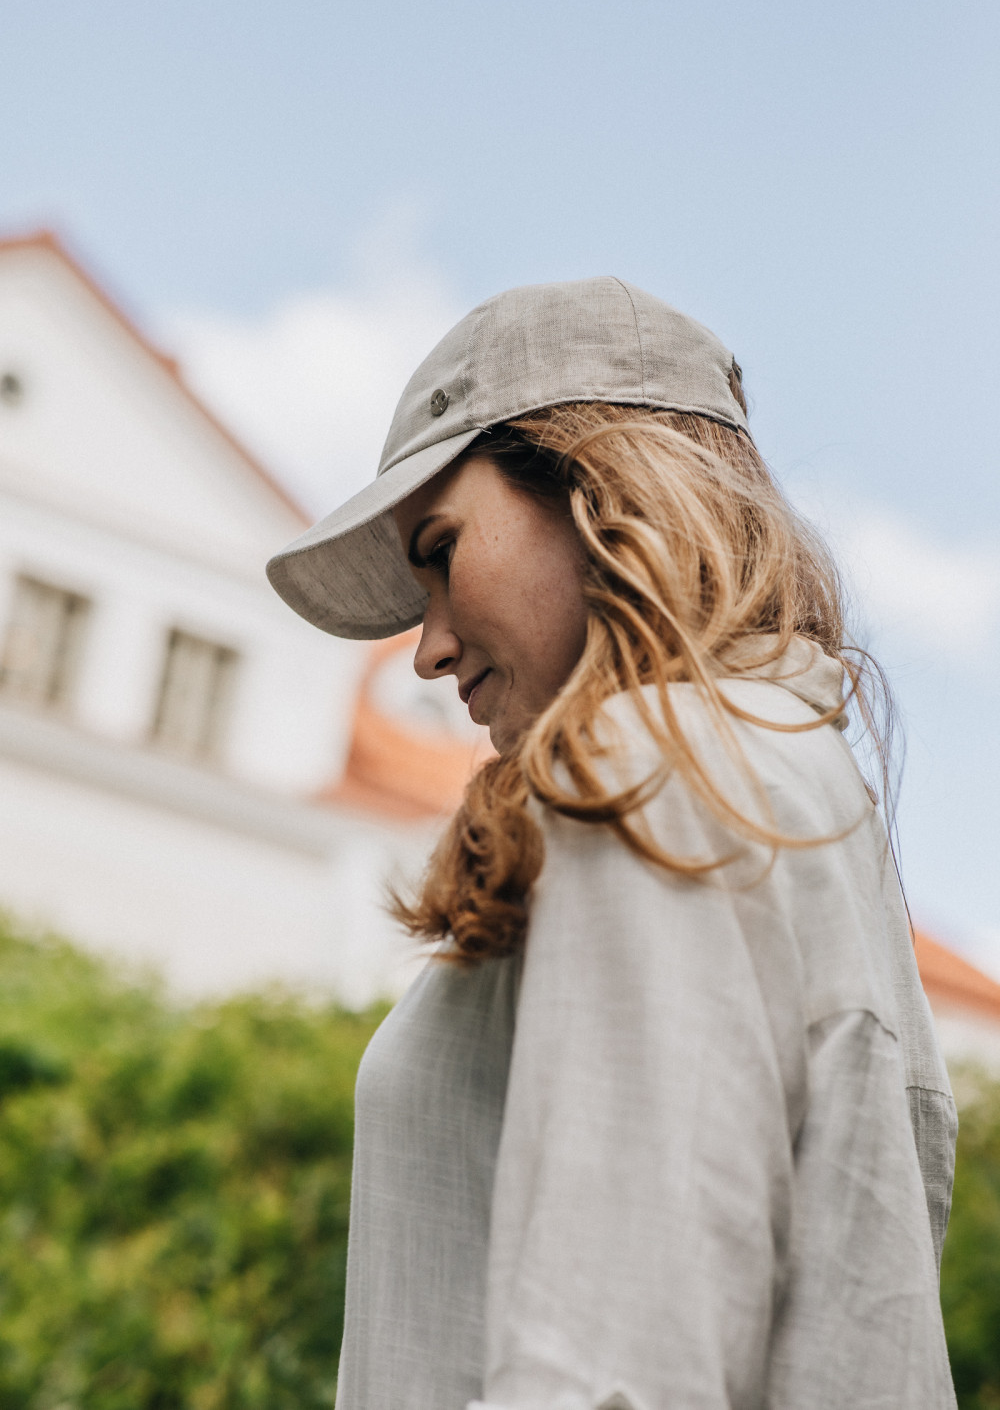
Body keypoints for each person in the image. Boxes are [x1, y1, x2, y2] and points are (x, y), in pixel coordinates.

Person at [268, 278, 958, 1410]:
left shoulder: (661, 770)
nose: (427, 648)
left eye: (439, 550)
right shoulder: (790, 793)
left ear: (598, 489)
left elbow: (609, 1372)